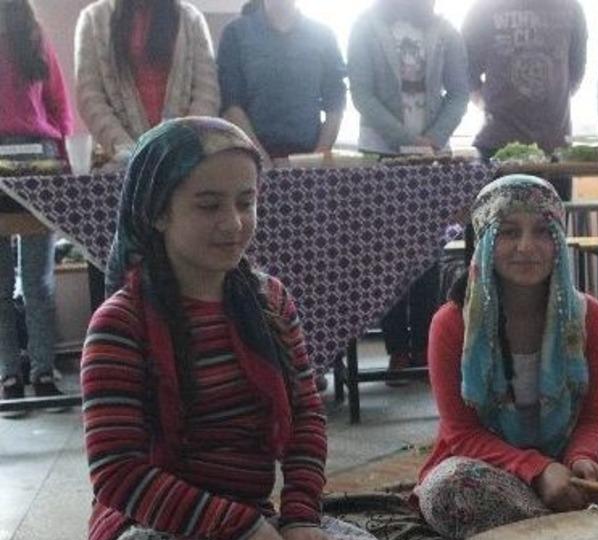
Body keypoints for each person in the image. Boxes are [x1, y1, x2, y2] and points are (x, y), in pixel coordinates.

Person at [0, 117, 411, 540]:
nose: (234, 223)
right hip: (148, 537)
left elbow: (304, 421)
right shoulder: (121, 324)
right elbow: (119, 477)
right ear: (159, 212)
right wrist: (246, 530)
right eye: (209, 204)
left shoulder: (269, 301)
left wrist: (299, 520)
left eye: (246, 202)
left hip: (257, 524)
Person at [415, 174, 598, 540]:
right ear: (484, 241)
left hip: (569, 470)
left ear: (558, 243)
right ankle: (579, 535)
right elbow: (461, 434)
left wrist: (580, 459)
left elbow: (593, 419)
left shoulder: (591, 319)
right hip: (491, 474)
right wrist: (538, 470)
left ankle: (550, 534)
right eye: (508, 232)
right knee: (450, 488)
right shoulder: (452, 324)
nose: (526, 246)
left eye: (542, 231)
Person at [347, 0, 469, 380]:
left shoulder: (446, 30)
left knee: (427, 257)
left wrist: (432, 139)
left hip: (432, 157)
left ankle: (425, 347)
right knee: (387, 257)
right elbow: (362, 94)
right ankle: (398, 348)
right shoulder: (365, 25)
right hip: (380, 155)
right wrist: (407, 139)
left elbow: (460, 92)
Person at [0, 0, 72, 415]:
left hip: (40, 165)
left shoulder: (34, 36)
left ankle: (43, 371)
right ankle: (9, 374)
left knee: (38, 279)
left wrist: (63, 158)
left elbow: (59, 106)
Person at [462, 0, 587, 197]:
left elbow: (575, 73)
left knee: (552, 226)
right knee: (496, 225)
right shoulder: (482, 8)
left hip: (554, 149)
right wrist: (486, 104)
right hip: (496, 147)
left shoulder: (571, 7)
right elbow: (466, 73)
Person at [74, 0, 219, 158]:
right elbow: (90, 97)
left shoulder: (191, 19)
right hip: (123, 163)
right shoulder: (93, 19)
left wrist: (183, 146)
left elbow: (207, 93)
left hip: (185, 159)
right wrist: (128, 152)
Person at [218, 0, 346, 159]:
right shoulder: (235, 33)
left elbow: (336, 103)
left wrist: (316, 158)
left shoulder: (324, 35)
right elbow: (231, 104)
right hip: (249, 161)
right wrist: (261, 159)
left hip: (309, 159)